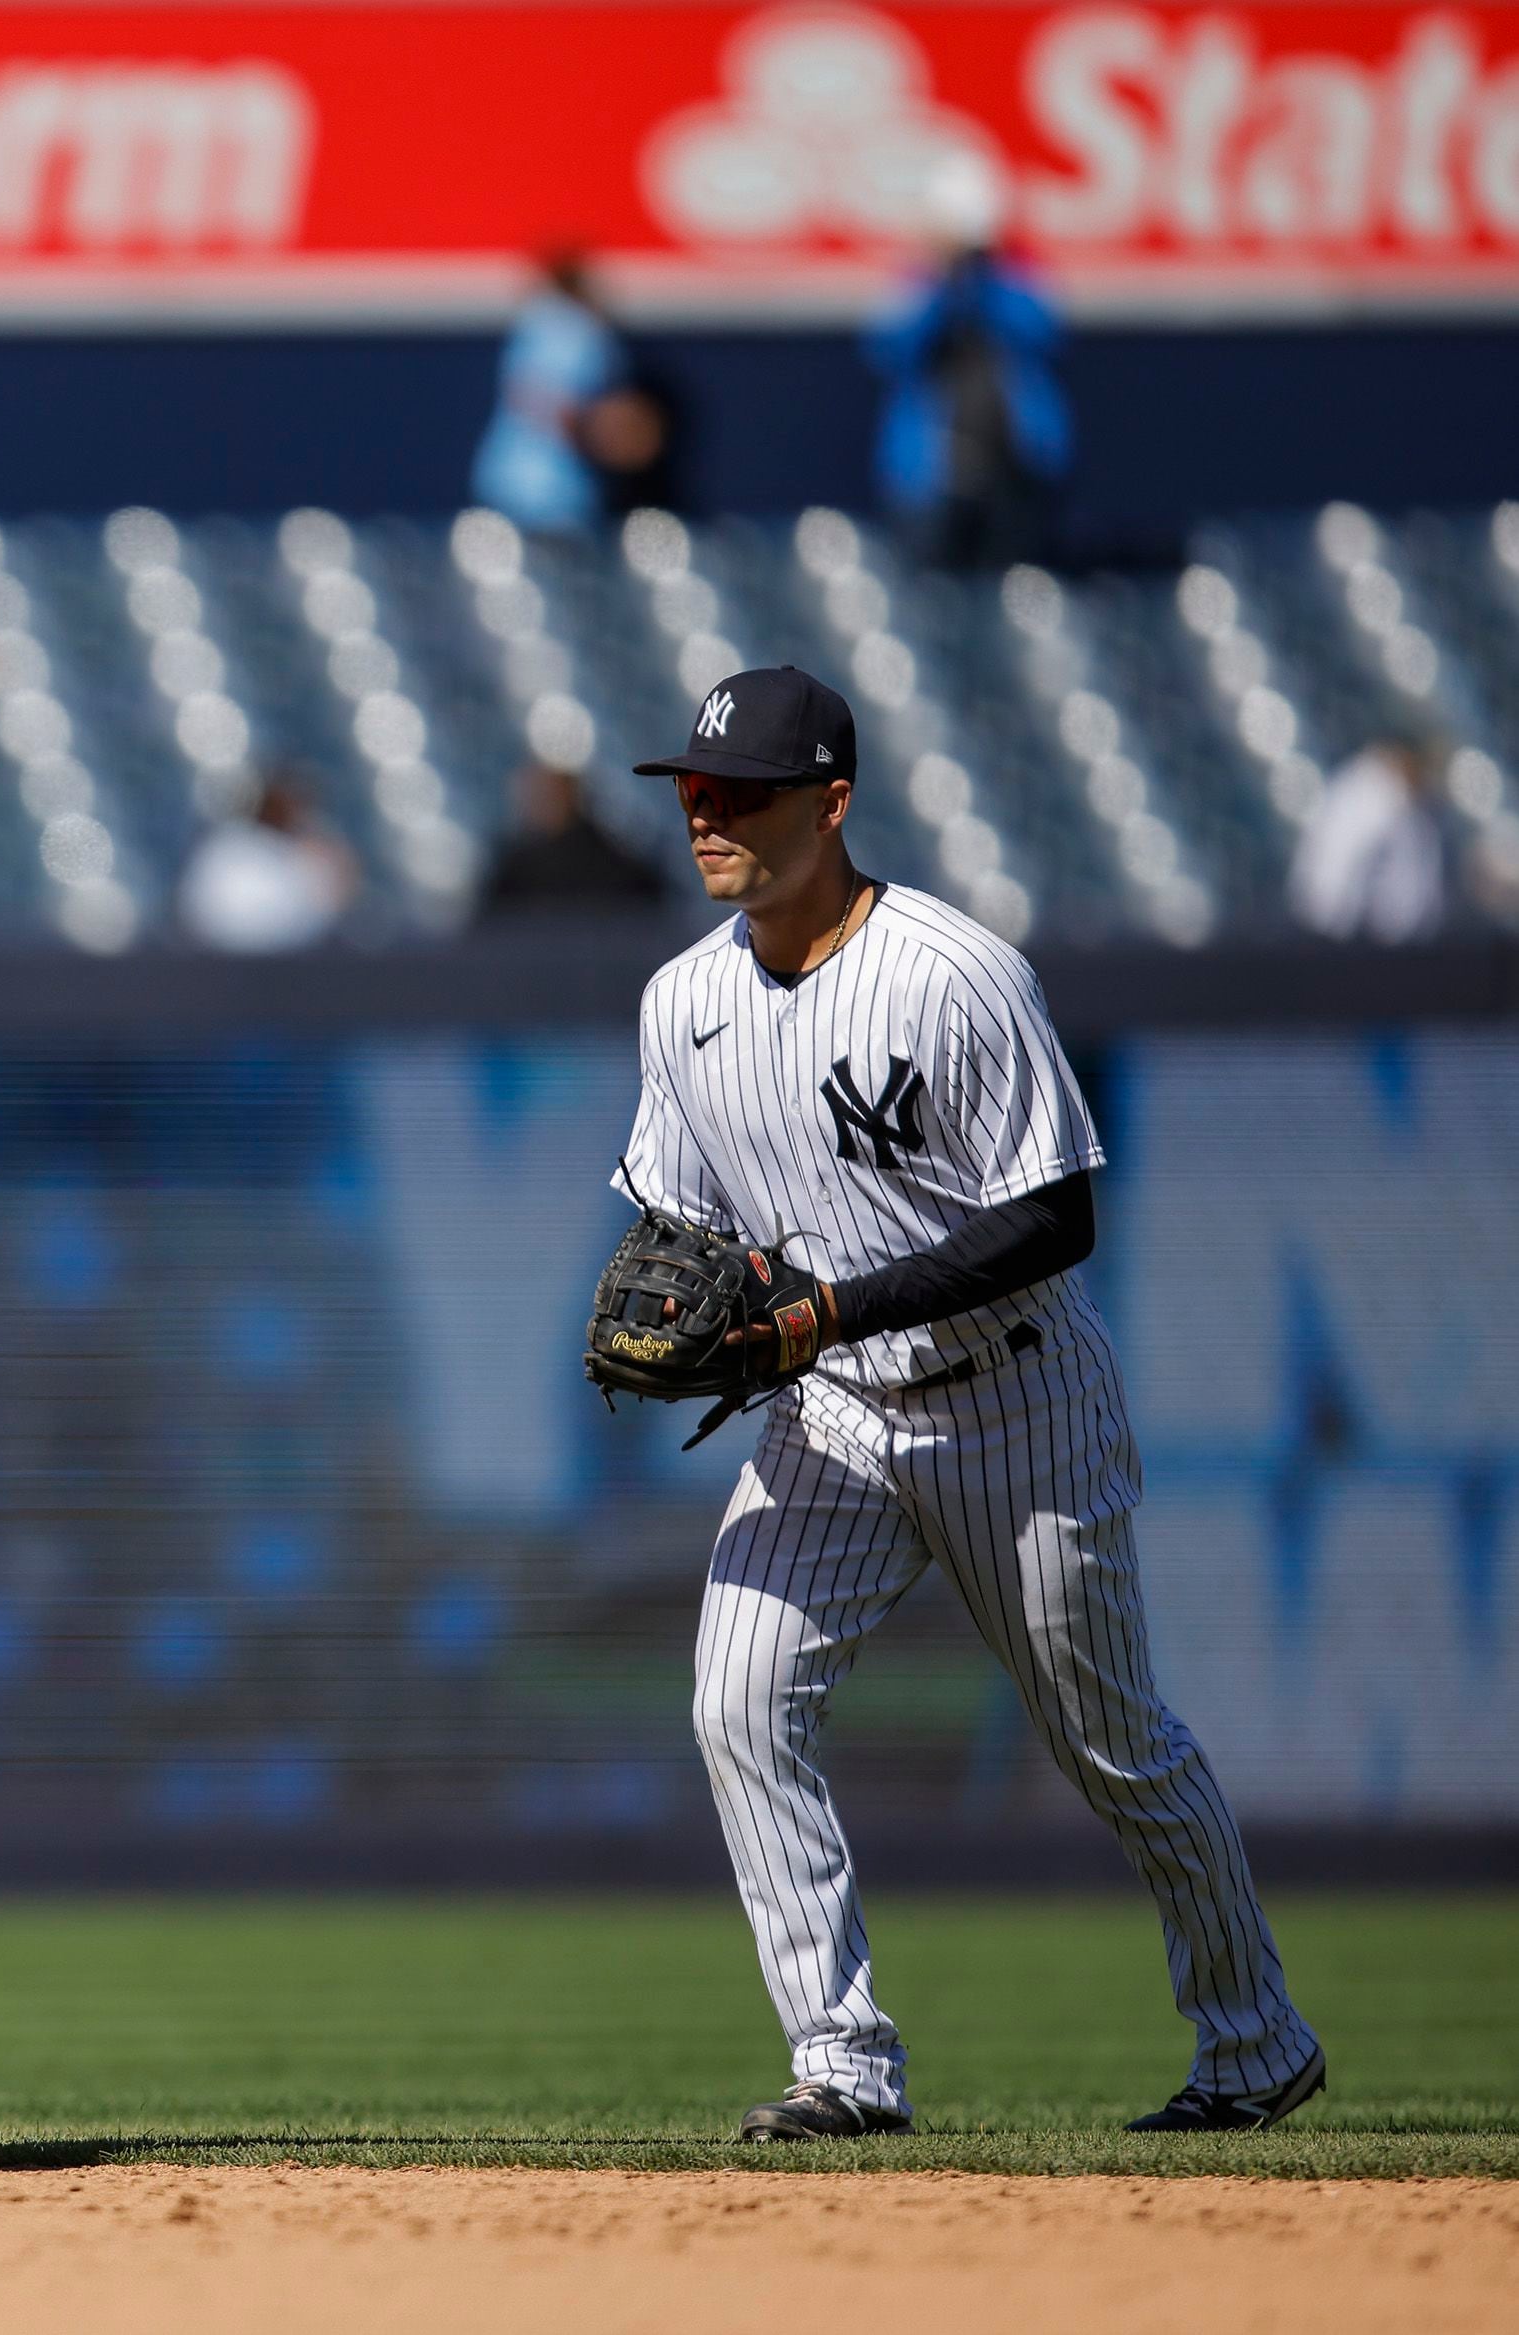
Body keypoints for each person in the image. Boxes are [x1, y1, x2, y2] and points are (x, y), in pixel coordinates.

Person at [615, 666, 1324, 2141]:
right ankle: (844, 2065)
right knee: (738, 1697)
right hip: (831, 1420)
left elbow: (1056, 1216)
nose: (707, 812)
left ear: (831, 799)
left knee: (1113, 1744)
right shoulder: (681, 1002)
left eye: (739, 789)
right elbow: (672, 1226)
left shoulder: (952, 971)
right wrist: (691, 1311)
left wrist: (827, 1306)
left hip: (1015, 1401)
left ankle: (1256, 2043)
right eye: (692, 788)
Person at [867, 160, 1069, 572]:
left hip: (1014, 474)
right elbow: (889, 347)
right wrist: (944, 281)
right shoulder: (919, 285)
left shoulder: (1012, 283)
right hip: (930, 480)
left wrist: (982, 275)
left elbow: (1043, 333)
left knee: (1013, 584)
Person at [470, 251, 626, 538]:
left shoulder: (540, 324)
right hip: (550, 487)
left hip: (518, 480)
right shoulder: (571, 329)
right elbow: (550, 403)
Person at [1288, 738, 1445, 943]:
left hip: (1343, 925)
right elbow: (1346, 863)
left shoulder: (1360, 785)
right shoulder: (1376, 796)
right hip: (1344, 932)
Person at [179, 772, 359, 951]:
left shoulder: (308, 849)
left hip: (294, 960)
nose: (294, 810)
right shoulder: (228, 846)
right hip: (220, 959)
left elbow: (336, 901)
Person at [477, 760, 669, 916]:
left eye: (547, 792)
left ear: (571, 793)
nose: (538, 800)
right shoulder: (515, 869)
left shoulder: (618, 869)